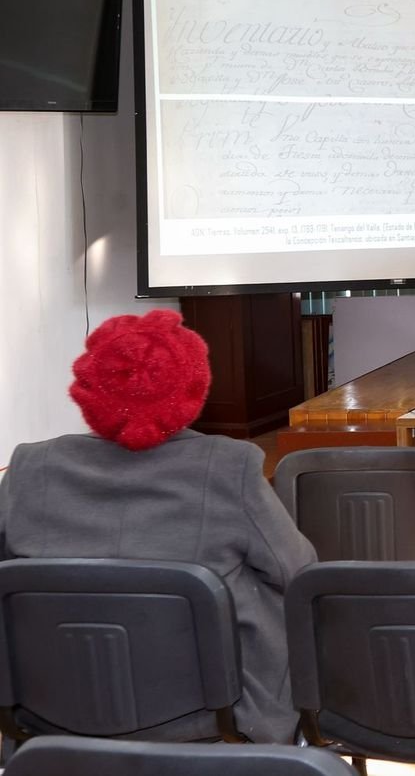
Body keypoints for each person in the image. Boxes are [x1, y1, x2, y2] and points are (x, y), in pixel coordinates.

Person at [0, 309, 317, 744]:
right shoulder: (230, 466)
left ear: (90, 384)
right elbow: (298, 572)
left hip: (52, 712)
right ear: (192, 384)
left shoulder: (27, 467)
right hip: (210, 717)